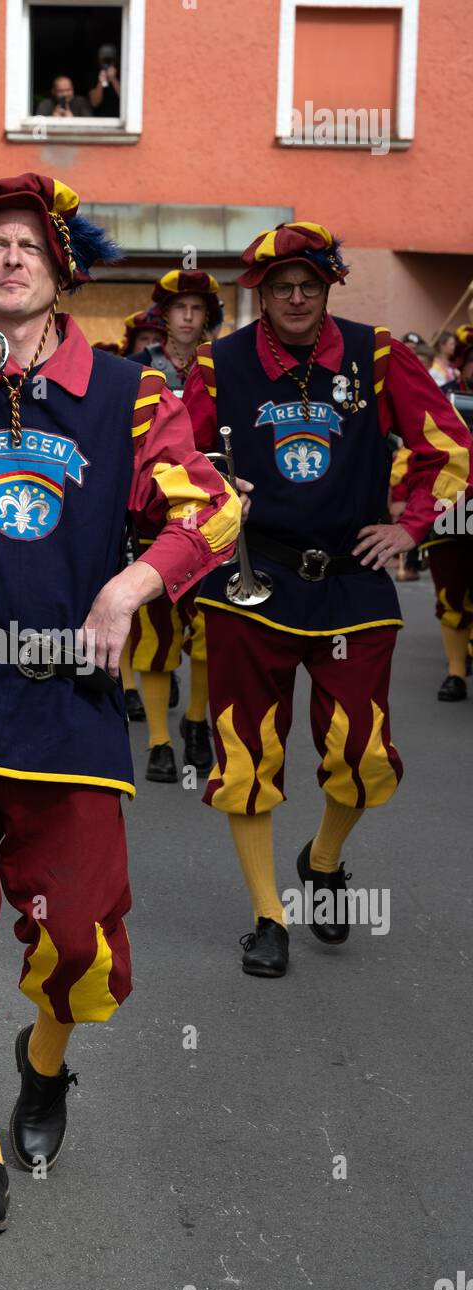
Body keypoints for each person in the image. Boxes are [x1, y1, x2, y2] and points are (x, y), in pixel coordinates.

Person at [0, 172, 240, 1232]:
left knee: (81, 946)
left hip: (68, 704)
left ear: (60, 270)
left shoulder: (127, 394)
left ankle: (45, 1060)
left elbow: (212, 511)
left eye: (28, 245)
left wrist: (131, 583)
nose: (9, 259)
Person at [183, 221, 472, 978]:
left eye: (311, 284)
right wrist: (213, 488)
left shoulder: (376, 354)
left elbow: (449, 446)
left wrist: (409, 525)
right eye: (283, 287)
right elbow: (172, 461)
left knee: (363, 754)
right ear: (262, 293)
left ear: (328, 287)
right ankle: (268, 915)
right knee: (246, 753)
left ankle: (322, 859)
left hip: (351, 583)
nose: (298, 298)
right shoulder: (220, 364)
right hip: (252, 582)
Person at [127, 271, 225, 780]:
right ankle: (159, 742)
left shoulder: (222, 370)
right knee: (154, 632)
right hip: (150, 514)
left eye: (197, 308)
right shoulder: (136, 370)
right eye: (179, 307)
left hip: (206, 517)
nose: (188, 317)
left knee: (209, 627)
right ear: (163, 314)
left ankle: (195, 723)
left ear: (208, 316)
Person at [393, 324, 473, 700]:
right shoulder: (443, 399)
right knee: (451, 593)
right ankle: (456, 673)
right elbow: (415, 450)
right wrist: (399, 494)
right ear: (463, 365)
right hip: (454, 509)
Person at [88, 45, 120, 117]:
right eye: (104, 60)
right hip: (100, 118)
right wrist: (100, 82)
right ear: (99, 60)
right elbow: (94, 103)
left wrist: (114, 79)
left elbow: (127, 101)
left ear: (116, 60)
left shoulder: (122, 73)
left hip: (118, 116)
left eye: (110, 60)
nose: (107, 63)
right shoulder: (93, 75)